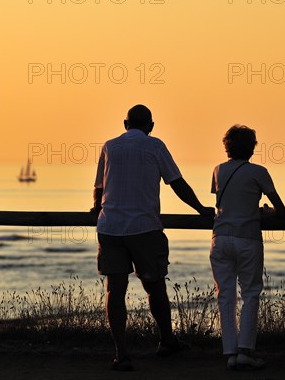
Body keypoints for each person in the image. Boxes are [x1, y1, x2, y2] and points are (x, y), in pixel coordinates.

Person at [92, 104, 215, 371]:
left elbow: (99, 188)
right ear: (151, 126)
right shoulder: (155, 146)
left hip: (110, 227)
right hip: (144, 227)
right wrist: (200, 209)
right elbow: (176, 182)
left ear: (125, 124)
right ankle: (167, 340)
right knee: (154, 285)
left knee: (115, 290)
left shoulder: (109, 146)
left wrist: (97, 209)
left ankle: (121, 354)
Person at [210, 125, 285, 370]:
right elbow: (281, 210)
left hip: (220, 238)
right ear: (252, 147)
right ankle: (246, 350)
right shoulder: (259, 172)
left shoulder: (218, 170)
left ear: (227, 147)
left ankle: (230, 352)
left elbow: (224, 201)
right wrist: (266, 211)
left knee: (225, 295)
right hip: (248, 238)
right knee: (251, 293)